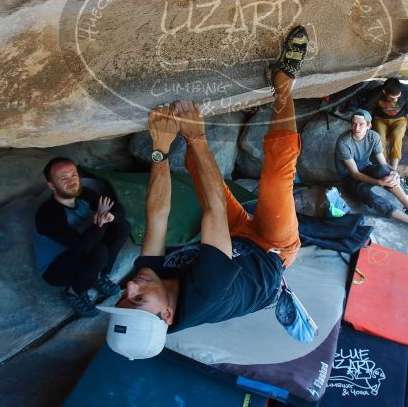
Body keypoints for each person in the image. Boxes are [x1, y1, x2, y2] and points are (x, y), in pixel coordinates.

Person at [99, 26, 310, 360]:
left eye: (124, 296)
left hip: (232, 242)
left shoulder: (150, 282)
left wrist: (160, 147)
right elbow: (212, 210)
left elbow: (157, 216)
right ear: (166, 316)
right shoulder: (207, 292)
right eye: (138, 299)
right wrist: (196, 136)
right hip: (272, 250)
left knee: (195, 168)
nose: (131, 286)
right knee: (277, 177)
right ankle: (283, 82)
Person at [34, 157, 131, 317]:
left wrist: (109, 216)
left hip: (85, 244)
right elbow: (82, 247)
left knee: (122, 227)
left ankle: (99, 276)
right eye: (63, 178)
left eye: (73, 175)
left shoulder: (84, 194)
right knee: (98, 252)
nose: (72, 181)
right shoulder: (48, 214)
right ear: (52, 186)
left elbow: (118, 209)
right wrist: (100, 220)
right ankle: (73, 292)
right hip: (56, 267)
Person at [335, 109, 408, 240]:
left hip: (366, 168)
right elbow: (355, 174)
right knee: (373, 198)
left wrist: (394, 174)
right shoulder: (343, 142)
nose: (356, 128)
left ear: (369, 126)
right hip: (349, 178)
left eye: (361, 124)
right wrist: (379, 182)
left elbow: (383, 164)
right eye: (354, 124)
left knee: (385, 172)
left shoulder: (373, 136)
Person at [363, 78, 408, 171]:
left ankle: (393, 169)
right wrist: (366, 123)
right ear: (384, 92)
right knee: (380, 139)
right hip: (380, 119)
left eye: (398, 96)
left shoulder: (407, 92)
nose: (396, 99)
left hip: (400, 119)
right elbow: (367, 110)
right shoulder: (376, 94)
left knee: (397, 137)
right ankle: (385, 168)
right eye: (393, 98)